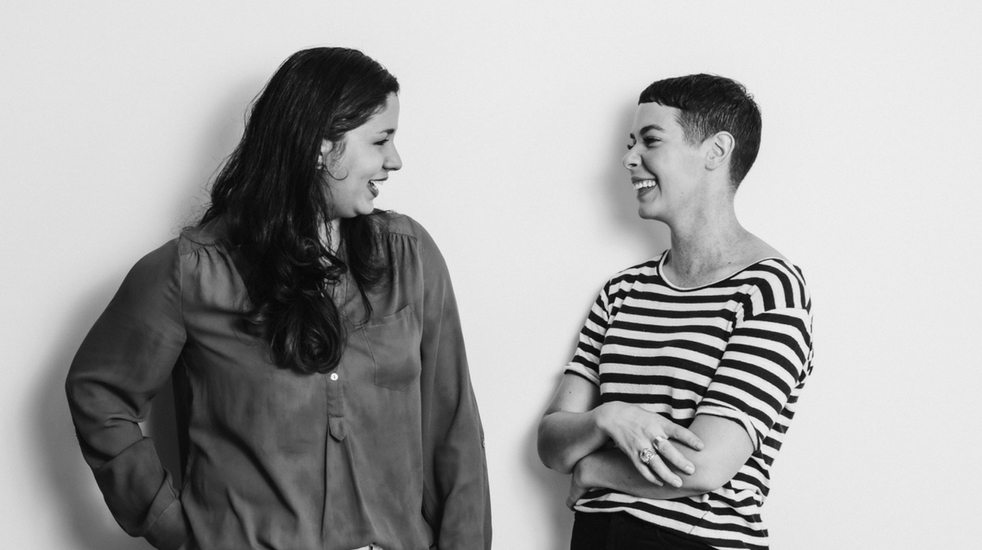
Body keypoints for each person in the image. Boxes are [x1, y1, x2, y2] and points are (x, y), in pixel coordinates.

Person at [66, 47, 491, 550]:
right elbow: (99, 393)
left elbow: (454, 432)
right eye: (381, 140)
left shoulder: (408, 256)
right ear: (319, 146)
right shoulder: (193, 271)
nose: (394, 160)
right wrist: (174, 529)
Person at [537, 74, 813, 550]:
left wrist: (595, 466)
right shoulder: (622, 291)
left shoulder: (770, 290)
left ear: (715, 151)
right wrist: (609, 418)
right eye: (630, 143)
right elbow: (552, 442)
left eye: (651, 140)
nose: (629, 159)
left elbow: (705, 466)